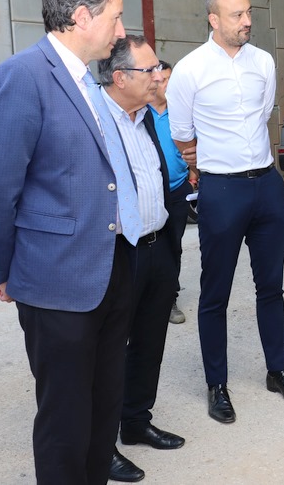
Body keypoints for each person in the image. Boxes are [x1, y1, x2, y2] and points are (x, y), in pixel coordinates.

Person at [0, 0, 136, 483]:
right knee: (65, 420)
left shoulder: (89, 80)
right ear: (82, 16)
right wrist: (2, 270)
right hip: (56, 280)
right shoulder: (22, 76)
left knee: (103, 409)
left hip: (110, 270)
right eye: (116, 17)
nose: (122, 31)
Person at [166, 0, 284, 424]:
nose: (247, 21)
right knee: (215, 293)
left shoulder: (263, 62)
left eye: (249, 12)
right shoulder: (190, 69)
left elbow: (264, 112)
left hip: (266, 185)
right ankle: (217, 385)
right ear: (213, 19)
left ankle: (277, 371)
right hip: (221, 190)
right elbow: (182, 134)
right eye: (236, 15)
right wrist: (203, 162)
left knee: (271, 286)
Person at [97, 36, 186, 482]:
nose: (158, 77)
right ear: (120, 78)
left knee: (149, 342)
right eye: (150, 71)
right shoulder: (93, 118)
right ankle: (101, 445)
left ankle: (135, 421)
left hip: (157, 245)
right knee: (109, 351)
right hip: (117, 255)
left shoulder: (145, 118)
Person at [150, 59, 195, 325]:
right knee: (145, 248)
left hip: (177, 190)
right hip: (147, 193)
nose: (168, 84)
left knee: (172, 246)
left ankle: (169, 298)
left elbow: (193, 146)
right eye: (164, 79)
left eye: (170, 78)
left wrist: (193, 173)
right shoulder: (139, 112)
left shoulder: (181, 111)